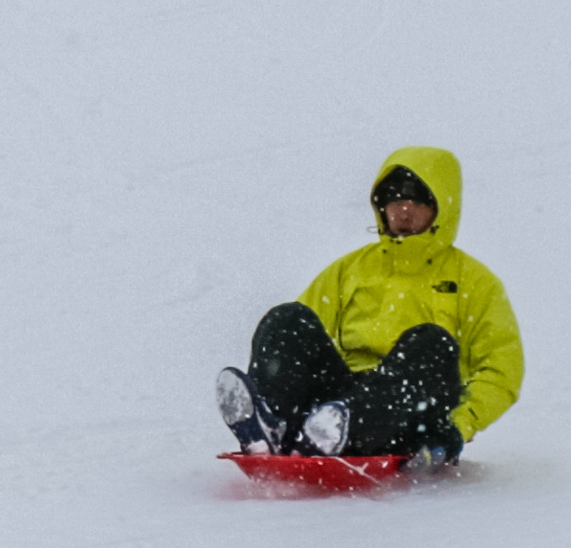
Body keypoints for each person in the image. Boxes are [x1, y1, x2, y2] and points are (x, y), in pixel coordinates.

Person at [217, 146, 523, 468]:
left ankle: (341, 428)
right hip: (335, 407)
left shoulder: (472, 281)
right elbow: (301, 345)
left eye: (419, 201)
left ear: (442, 208)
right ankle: (275, 425)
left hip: (408, 416)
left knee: (432, 342)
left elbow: (501, 370)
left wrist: (456, 427)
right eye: (395, 199)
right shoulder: (352, 270)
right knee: (288, 319)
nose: (404, 211)